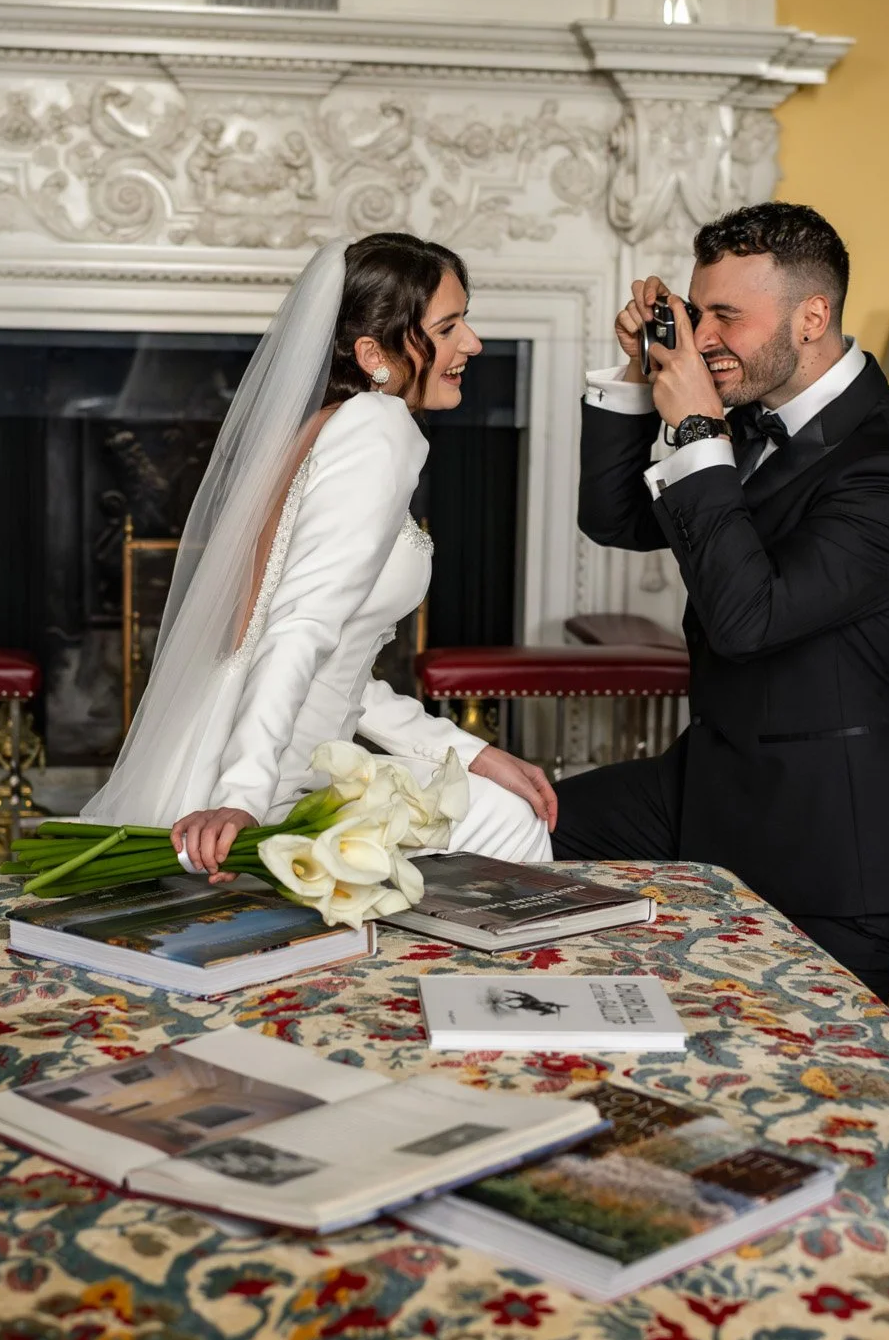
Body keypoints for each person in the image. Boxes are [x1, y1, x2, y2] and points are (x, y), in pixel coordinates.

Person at [552, 203, 889, 1002]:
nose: (701, 338)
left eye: (725, 316)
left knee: (838, 1103)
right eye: (696, 313)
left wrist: (699, 423)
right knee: (523, 824)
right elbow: (617, 519)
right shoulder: (749, 423)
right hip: (712, 780)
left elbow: (748, 621)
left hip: (833, 839)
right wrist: (644, 377)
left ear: (812, 317)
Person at [87, 231, 555, 874]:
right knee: (513, 823)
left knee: (496, 805)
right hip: (274, 782)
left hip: (255, 755)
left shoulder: (325, 425)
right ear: (373, 353)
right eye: (448, 327)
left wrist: (466, 752)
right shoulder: (379, 429)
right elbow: (299, 627)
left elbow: (339, 666)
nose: (471, 343)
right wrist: (244, 801)